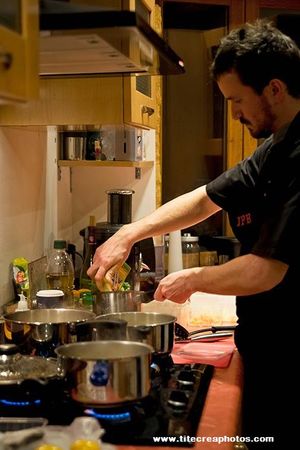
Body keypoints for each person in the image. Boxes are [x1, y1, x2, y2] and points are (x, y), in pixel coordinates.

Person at [88, 20, 300, 449]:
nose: (235, 113)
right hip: (267, 347)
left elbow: (266, 270)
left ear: (275, 89)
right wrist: (130, 232)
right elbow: (206, 199)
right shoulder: (275, 147)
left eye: (238, 100)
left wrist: (192, 279)